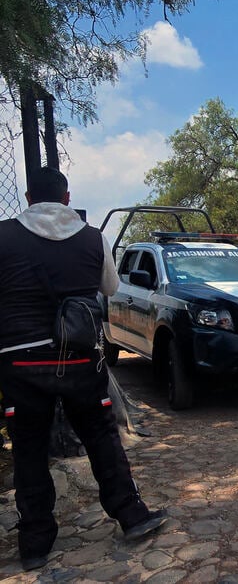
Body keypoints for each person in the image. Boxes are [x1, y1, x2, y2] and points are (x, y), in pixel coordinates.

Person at [0, 167, 168, 571]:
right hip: (77, 358)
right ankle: (131, 515)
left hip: (20, 361)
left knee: (29, 449)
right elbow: (109, 289)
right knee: (101, 437)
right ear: (67, 197)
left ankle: (35, 544)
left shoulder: (3, 236)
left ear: (26, 197)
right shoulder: (94, 237)